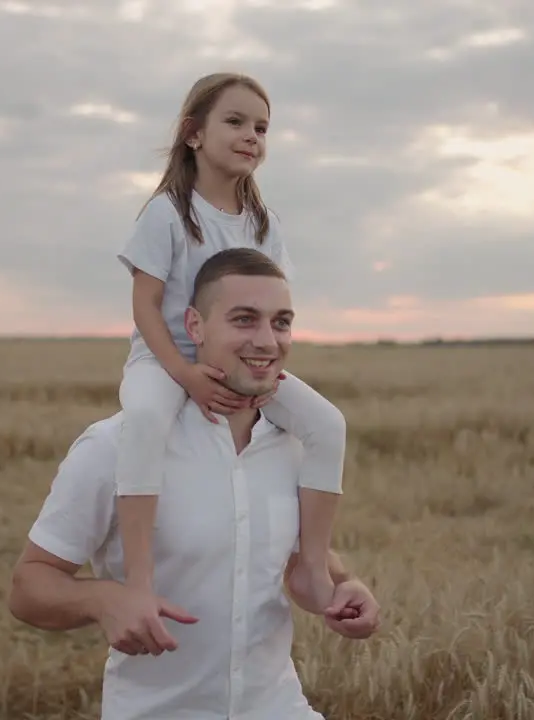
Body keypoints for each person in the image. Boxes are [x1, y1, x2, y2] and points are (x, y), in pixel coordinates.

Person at [8, 248, 381, 720]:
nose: (268, 341)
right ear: (194, 326)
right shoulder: (113, 447)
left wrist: (345, 589)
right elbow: (28, 587)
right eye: (244, 320)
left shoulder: (297, 445)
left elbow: (298, 560)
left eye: (281, 322)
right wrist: (103, 599)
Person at [113, 71, 348, 630]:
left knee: (327, 424)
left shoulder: (263, 223)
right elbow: (145, 305)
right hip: (164, 360)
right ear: (194, 134)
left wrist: (265, 375)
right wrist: (183, 373)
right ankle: (139, 580)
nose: (252, 136)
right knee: (143, 418)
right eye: (236, 122)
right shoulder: (167, 213)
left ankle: (314, 567)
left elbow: (273, 307)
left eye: (262, 128)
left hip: (244, 368)